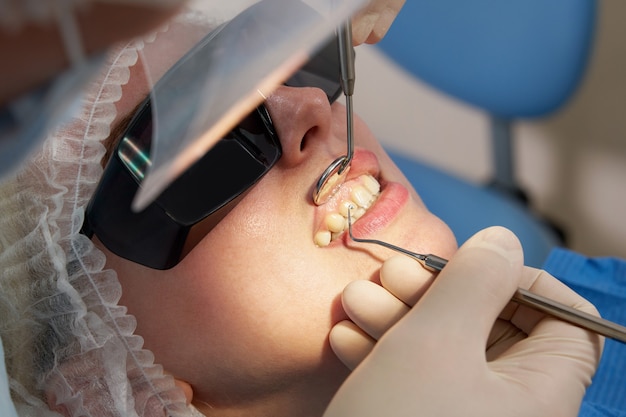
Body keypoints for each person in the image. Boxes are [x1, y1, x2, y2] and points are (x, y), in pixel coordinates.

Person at [0, 2, 608, 417]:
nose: (309, 105)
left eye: (267, 60)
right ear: (105, 392)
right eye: (196, 146)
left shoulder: (590, 314)